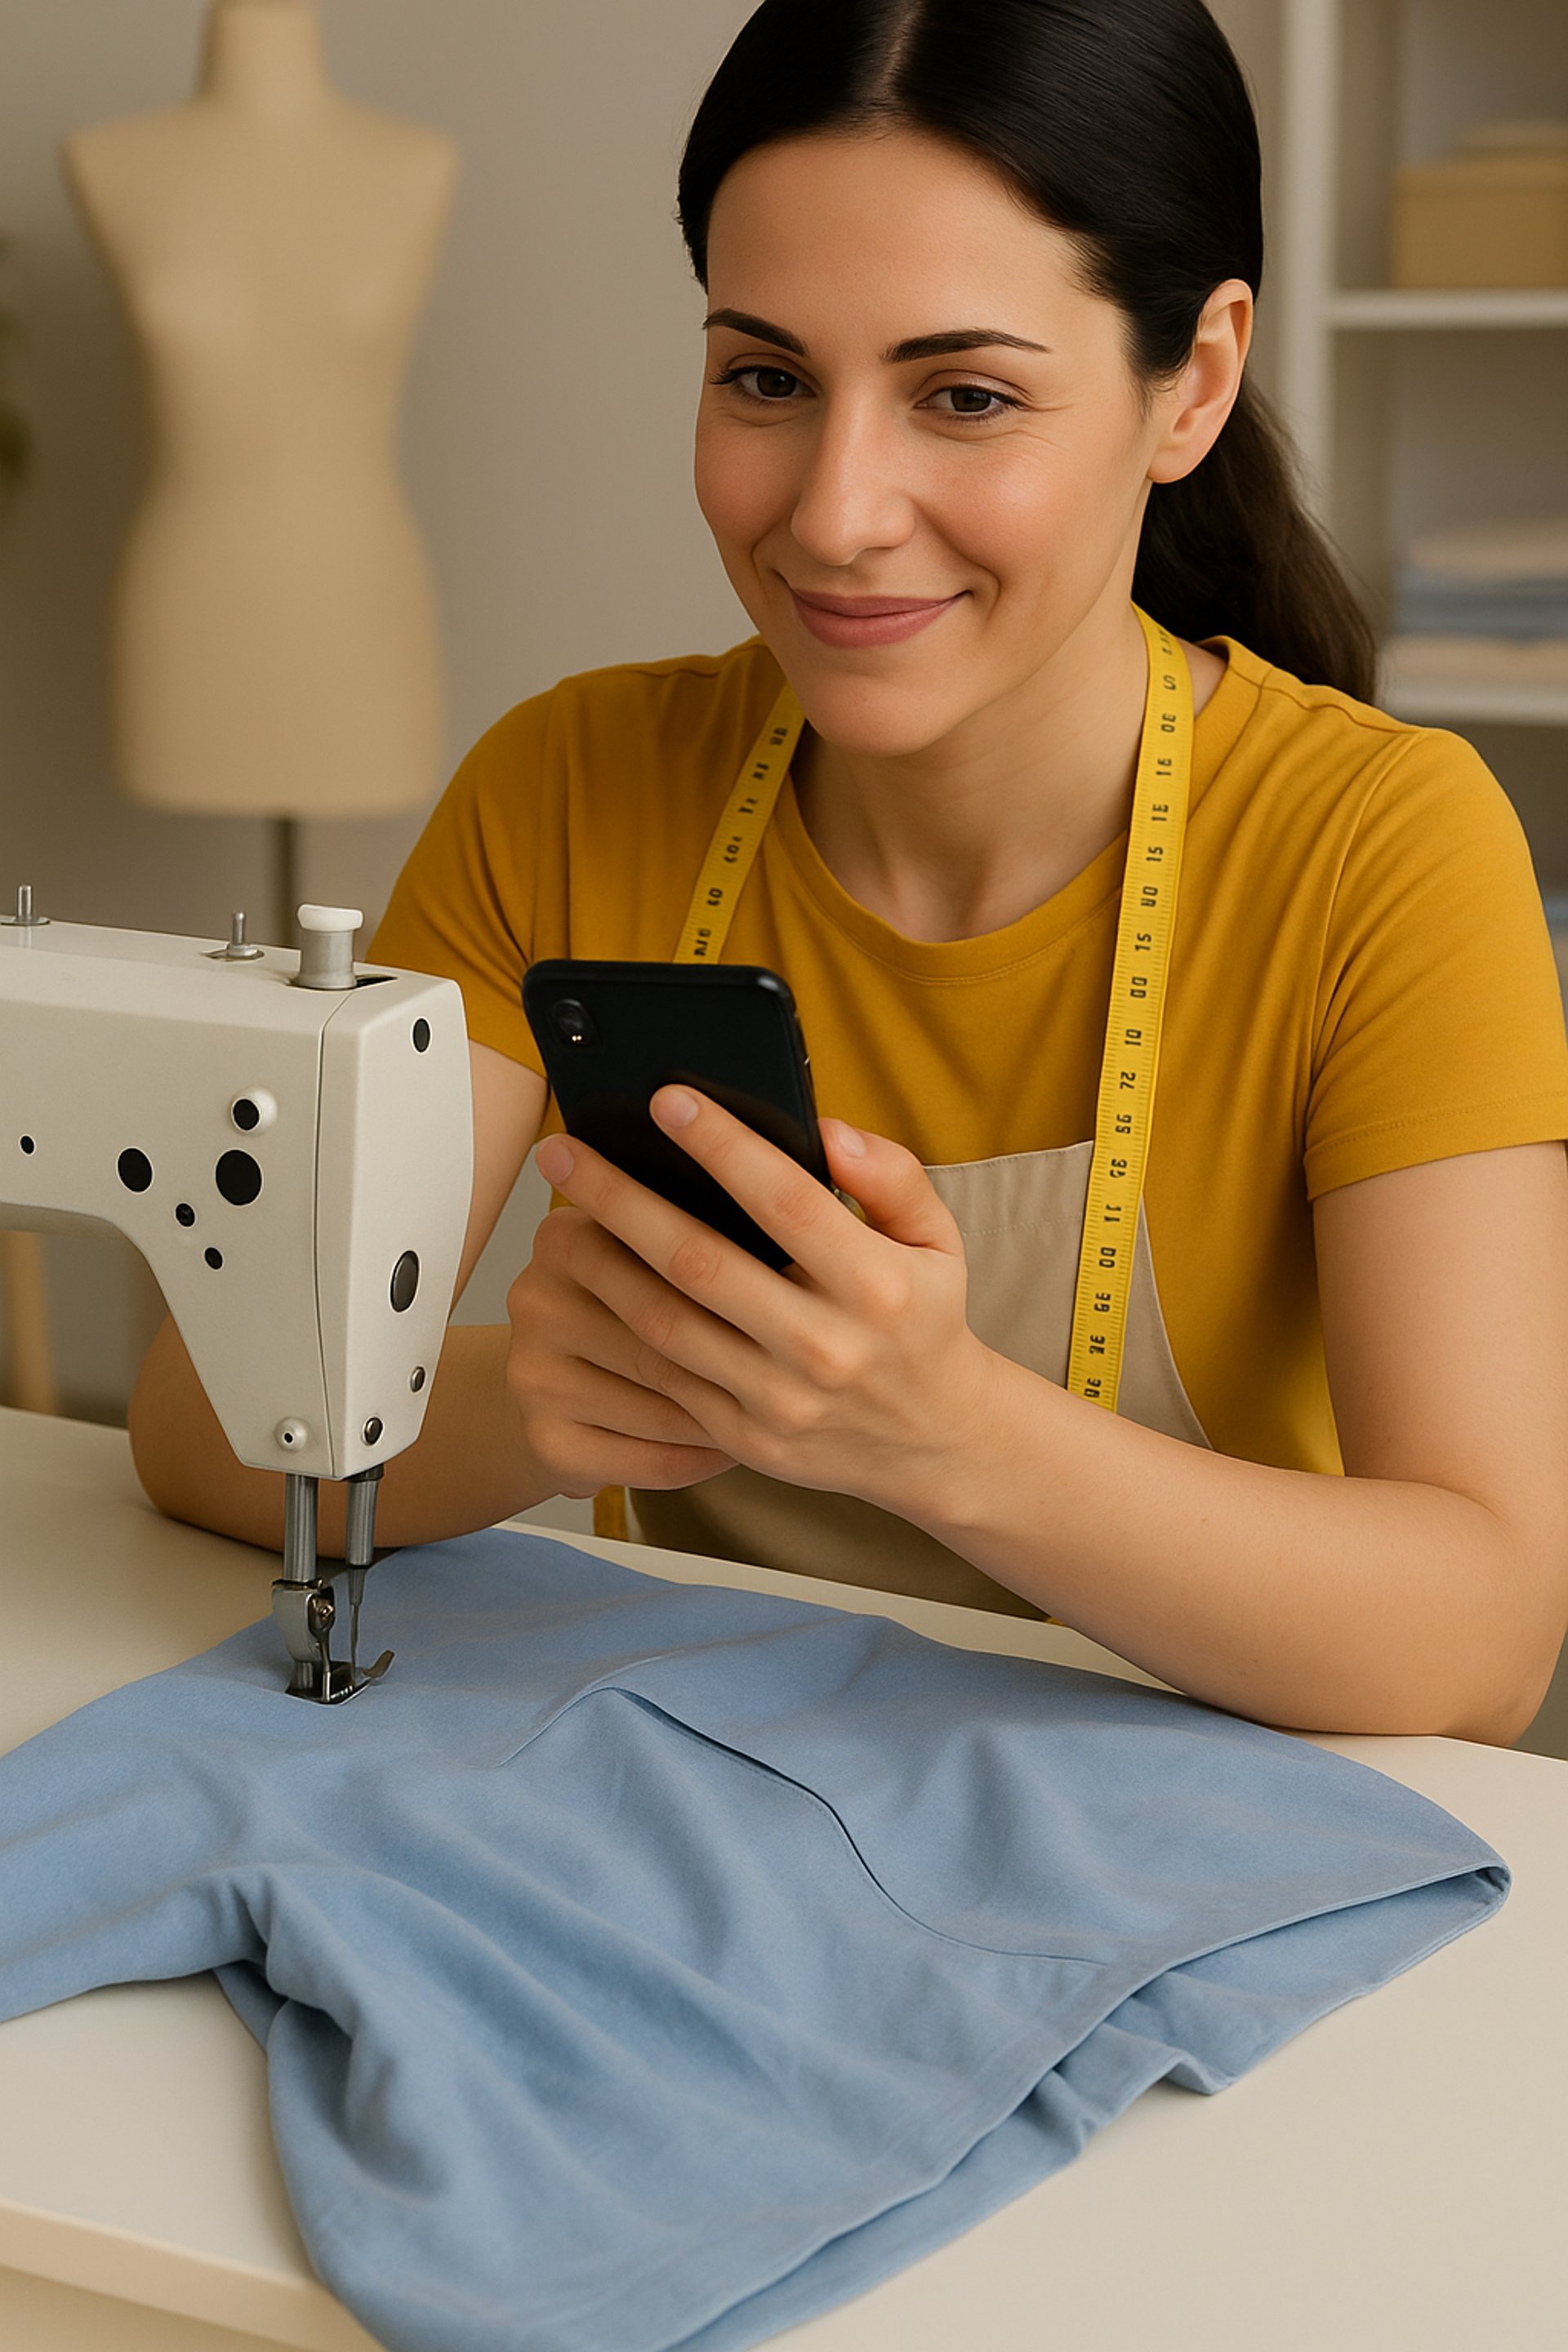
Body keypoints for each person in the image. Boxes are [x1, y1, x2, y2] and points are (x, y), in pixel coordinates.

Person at [131, 0, 1568, 1744]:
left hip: (1186, 1837)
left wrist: (944, 1430)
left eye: (966, 395)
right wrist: (533, 1404)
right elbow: (199, 1428)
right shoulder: (571, 787)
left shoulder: (1379, 850)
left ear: (1193, 381)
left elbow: (1484, 1639)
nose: (834, 512)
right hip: (683, 1788)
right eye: (768, 379)